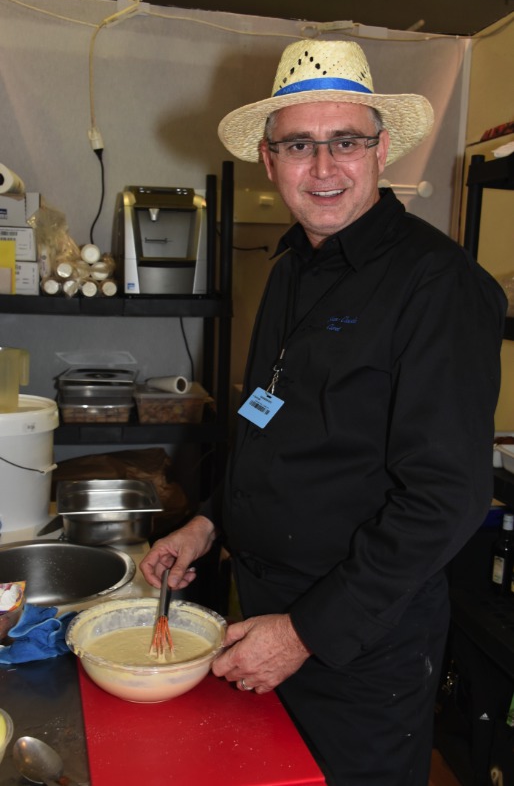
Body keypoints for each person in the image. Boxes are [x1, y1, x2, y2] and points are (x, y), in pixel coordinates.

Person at [140, 39, 506, 785]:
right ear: (270, 162)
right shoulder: (291, 271)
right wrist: (208, 521)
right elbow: (274, 427)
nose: (325, 167)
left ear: (382, 151)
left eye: (346, 142)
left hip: (360, 643)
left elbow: (446, 497)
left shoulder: (438, 286)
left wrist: (305, 632)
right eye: (300, 145)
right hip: (263, 611)